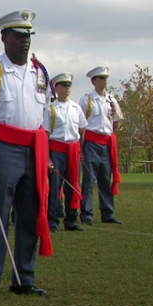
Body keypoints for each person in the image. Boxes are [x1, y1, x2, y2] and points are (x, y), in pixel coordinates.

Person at [0, 9, 54, 301]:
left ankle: (24, 278)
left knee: (31, 215)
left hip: (34, 148)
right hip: (4, 147)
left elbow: (43, 114)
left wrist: (45, 154)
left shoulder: (40, 71)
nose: (25, 42)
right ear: (4, 37)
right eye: (19, 35)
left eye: (28, 36)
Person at [79, 66, 123, 225]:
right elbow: (81, 125)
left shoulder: (112, 100)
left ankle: (108, 213)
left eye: (106, 78)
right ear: (93, 81)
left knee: (105, 180)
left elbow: (116, 123)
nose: (105, 81)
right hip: (91, 142)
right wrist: (81, 147)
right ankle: (86, 214)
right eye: (101, 78)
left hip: (106, 143)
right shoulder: (87, 100)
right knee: (89, 181)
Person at [44, 73, 88, 232]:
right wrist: (48, 158)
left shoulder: (76, 108)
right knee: (55, 187)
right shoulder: (50, 109)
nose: (67, 88)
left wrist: (81, 150)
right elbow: (46, 135)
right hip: (57, 150)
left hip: (73, 150)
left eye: (69, 85)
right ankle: (52, 220)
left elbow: (82, 130)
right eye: (63, 85)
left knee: (73, 186)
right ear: (56, 88)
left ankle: (71, 220)